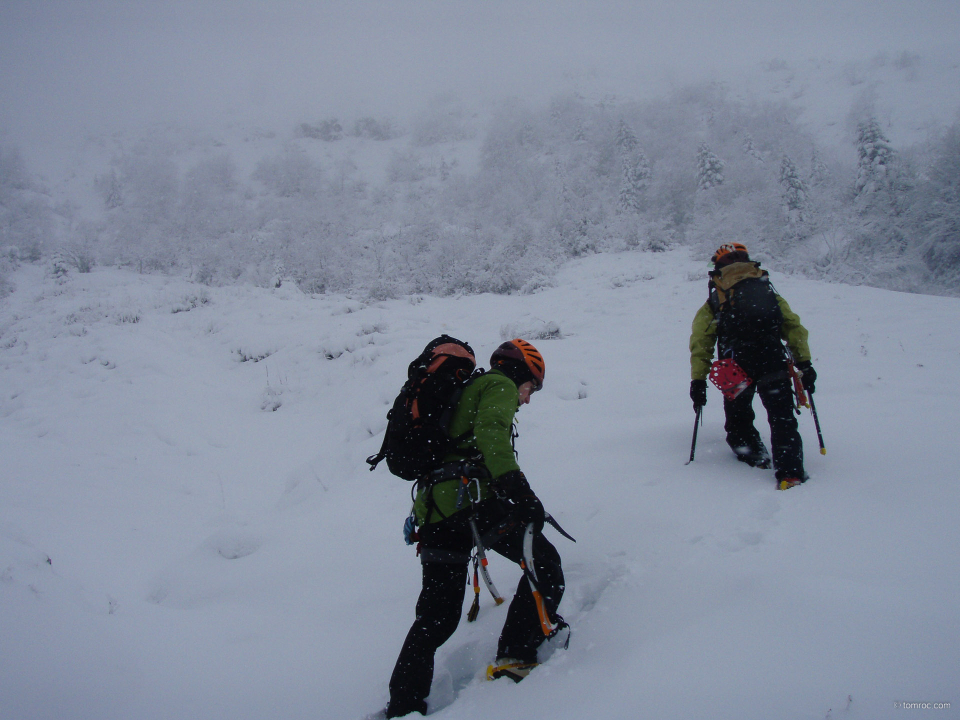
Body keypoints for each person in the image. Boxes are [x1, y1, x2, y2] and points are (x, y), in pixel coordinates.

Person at [385, 339, 564, 718]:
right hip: (472, 502)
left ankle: (402, 705)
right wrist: (522, 492)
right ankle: (516, 654)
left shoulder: (465, 390)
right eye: (531, 388)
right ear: (520, 374)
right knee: (545, 562)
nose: (528, 399)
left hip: (434, 512)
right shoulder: (498, 384)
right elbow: (492, 434)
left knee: (436, 618)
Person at [688, 243, 817, 490]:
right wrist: (805, 363)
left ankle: (750, 452)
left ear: (718, 268)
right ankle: (790, 473)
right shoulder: (767, 290)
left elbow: (701, 341)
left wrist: (698, 380)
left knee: (738, 415)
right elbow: (793, 327)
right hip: (772, 359)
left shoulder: (717, 297)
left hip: (734, 365)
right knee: (782, 418)